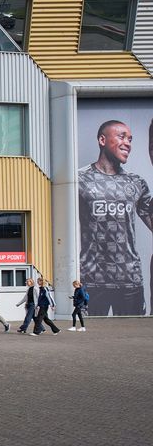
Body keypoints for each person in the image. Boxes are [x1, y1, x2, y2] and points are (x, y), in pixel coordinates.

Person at [78, 120, 152, 317]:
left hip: (130, 280)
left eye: (130, 139)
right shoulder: (78, 180)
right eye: (121, 136)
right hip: (92, 279)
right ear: (102, 140)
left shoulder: (136, 183)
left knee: (130, 338)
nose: (128, 142)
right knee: (90, 338)